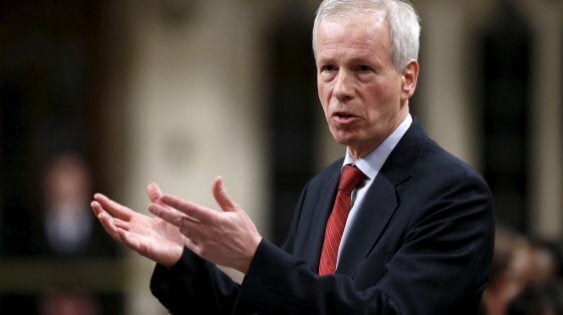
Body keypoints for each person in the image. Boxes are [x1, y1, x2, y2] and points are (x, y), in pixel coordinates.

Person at [90, 0, 494, 313]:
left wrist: (256, 258)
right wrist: (182, 265)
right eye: (328, 69)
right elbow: (280, 307)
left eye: (362, 69)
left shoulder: (453, 194)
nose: (340, 89)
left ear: (408, 78)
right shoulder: (322, 189)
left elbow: (387, 311)